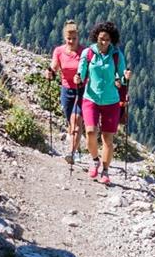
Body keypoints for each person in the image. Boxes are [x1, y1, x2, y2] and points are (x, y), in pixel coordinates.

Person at [77, 20, 128, 185]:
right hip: (90, 98)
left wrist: (124, 79)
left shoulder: (116, 55)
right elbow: (81, 73)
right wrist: (77, 77)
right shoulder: (88, 53)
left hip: (111, 101)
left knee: (108, 138)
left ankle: (105, 171)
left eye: (107, 39)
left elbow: (121, 77)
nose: (104, 42)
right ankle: (94, 160)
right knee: (90, 132)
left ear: (111, 40)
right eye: (101, 39)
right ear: (96, 38)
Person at [50, 20, 88, 168]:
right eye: (69, 38)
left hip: (82, 90)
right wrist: (51, 72)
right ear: (65, 38)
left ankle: (71, 153)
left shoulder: (84, 52)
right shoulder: (59, 51)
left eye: (74, 38)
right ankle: (77, 147)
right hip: (66, 90)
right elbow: (55, 65)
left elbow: (89, 71)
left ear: (78, 37)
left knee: (76, 121)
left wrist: (82, 77)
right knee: (70, 122)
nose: (71, 41)